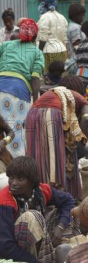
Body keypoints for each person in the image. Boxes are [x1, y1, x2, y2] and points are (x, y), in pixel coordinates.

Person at [26, 76, 88, 200]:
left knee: (39, 157)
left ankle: (39, 195)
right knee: (57, 158)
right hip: (52, 114)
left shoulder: (53, 93)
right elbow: (87, 117)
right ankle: (61, 195)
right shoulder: (78, 97)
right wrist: (83, 137)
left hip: (32, 115)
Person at [0, 156, 76, 263]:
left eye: (20, 179)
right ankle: (47, 262)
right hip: (14, 248)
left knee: (73, 214)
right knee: (31, 216)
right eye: (11, 178)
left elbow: (68, 201)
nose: (13, 183)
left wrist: (60, 227)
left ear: (32, 181)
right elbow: (5, 246)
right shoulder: (4, 201)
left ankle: (65, 252)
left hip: (40, 237)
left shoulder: (41, 191)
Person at [0, 18, 44, 158]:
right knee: (15, 133)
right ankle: (15, 166)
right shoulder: (37, 53)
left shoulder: (6, 45)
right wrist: (35, 104)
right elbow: (35, 79)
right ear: (35, 37)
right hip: (18, 93)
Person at [37, 0, 68, 73]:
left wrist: (38, 54)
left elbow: (43, 38)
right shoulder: (62, 17)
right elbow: (65, 38)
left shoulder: (44, 17)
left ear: (45, 5)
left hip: (48, 52)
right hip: (62, 51)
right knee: (59, 77)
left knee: (48, 76)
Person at [65, 3, 86, 70]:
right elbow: (77, 47)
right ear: (74, 16)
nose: (83, 17)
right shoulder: (75, 28)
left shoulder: (73, 26)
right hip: (77, 63)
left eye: (83, 15)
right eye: (81, 15)